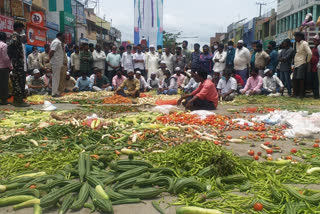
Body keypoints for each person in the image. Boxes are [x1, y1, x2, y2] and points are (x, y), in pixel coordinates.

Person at [7, 22, 30, 107]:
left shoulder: (17, 37)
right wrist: (16, 56)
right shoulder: (15, 36)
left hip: (18, 62)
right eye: (21, 28)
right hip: (17, 63)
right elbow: (10, 48)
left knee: (19, 81)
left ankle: (18, 100)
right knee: (19, 81)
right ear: (18, 28)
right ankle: (19, 101)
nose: (22, 30)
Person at [293, 32, 312, 99]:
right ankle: (295, 94)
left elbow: (309, 53)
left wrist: (307, 61)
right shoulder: (296, 43)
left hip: (302, 63)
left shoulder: (304, 43)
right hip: (296, 63)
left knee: (301, 79)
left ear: (300, 37)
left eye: (296, 37)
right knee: (295, 79)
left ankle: (301, 94)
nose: (295, 38)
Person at [49, 32, 65, 98]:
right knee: (55, 78)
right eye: (63, 36)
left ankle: (55, 92)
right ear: (60, 36)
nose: (64, 38)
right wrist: (50, 60)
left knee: (56, 78)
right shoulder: (56, 42)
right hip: (56, 62)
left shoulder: (59, 42)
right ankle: (54, 93)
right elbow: (51, 51)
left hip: (57, 62)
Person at [0, 32, 12, 105]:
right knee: (4, 84)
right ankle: (4, 99)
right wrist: (10, 66)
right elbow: (5, 58)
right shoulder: (4, 45)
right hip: (3, 67)